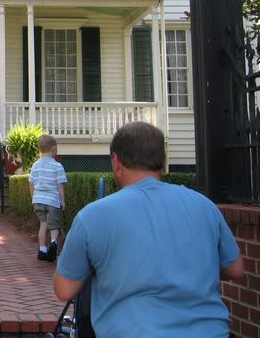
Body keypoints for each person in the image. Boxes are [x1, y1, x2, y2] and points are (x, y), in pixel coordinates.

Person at [55, 121, 244, 336]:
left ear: (116, 161)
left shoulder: (92, 216)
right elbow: (235, 269)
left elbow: (64, 289)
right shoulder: (205, 206)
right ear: (161, 161)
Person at [29, 134, 67, 262]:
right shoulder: (57, 166)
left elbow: (31, 184)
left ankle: (42, 249)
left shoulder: (35, 165)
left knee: (43, 224)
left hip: (38, 200)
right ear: (54, 148)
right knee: (54, 225)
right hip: (52, 200)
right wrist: (63, 201)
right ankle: (54, 244)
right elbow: (60, 185)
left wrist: (33, 198)